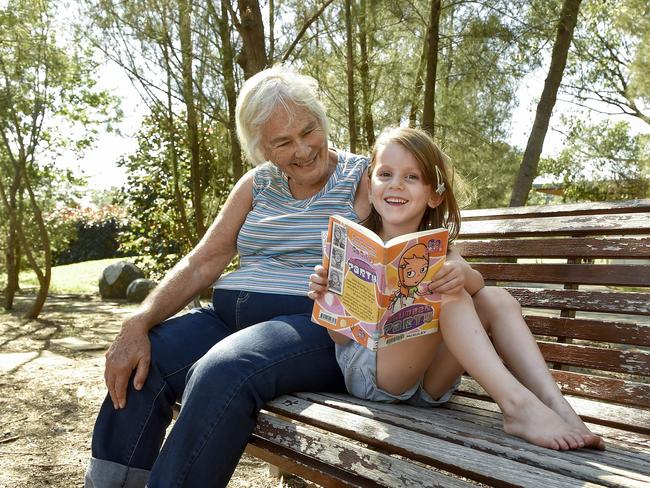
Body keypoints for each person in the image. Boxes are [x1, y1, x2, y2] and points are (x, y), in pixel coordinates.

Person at [85, 65, 371, 487]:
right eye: (283, 142)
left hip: (315, 327)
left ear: (322, 120)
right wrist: (138, 321)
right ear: (262, 148)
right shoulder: (257, 184)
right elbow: (203, 262)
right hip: (228, 318)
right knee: (148, 358)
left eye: (309, 131)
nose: (304, 149)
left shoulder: (362, 177)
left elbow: (405, 241)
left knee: (223, 369)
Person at [308, 127, 604, 451]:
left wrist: (462, 272)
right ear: (369, 183)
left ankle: (555, 404)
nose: (395, 184)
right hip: (376, 375)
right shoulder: (353, 246)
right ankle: (517, 406)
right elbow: (339, 337)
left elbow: (475, 289)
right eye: (385, 174)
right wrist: (328, 298)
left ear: (433, 194)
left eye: (411, 177)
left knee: (493, 297)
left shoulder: (438, 247)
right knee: (445, 293)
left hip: (430, 384)